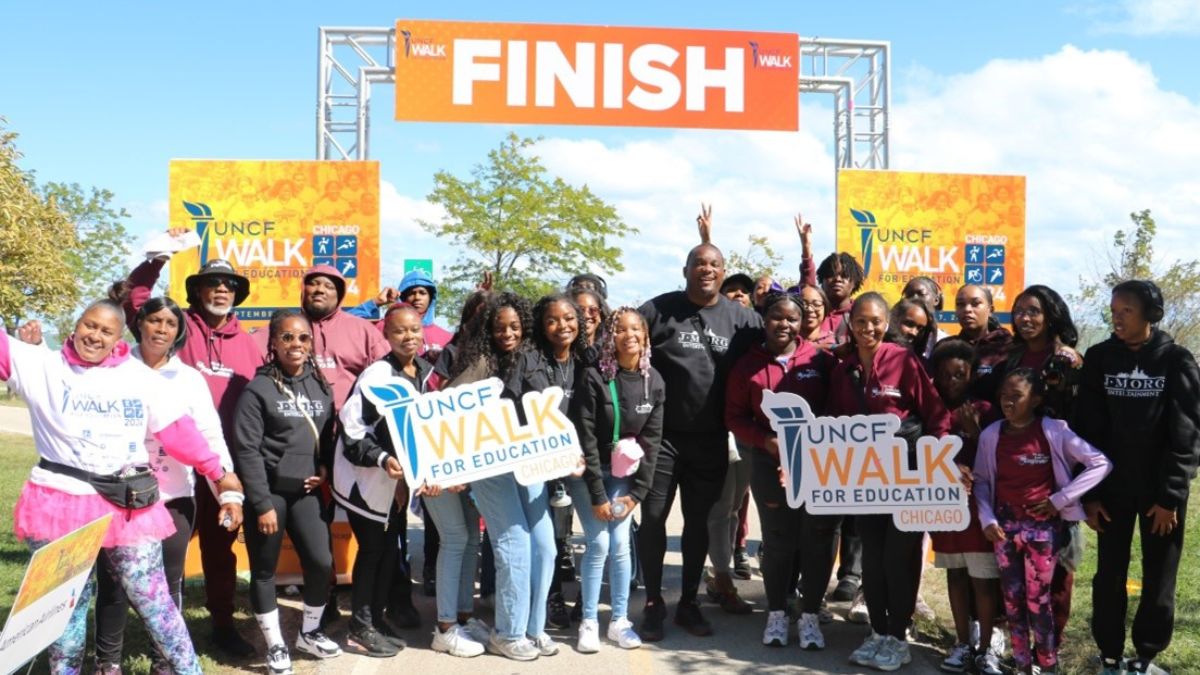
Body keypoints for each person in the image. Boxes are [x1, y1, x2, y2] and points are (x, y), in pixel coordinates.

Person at [3, 301, 241, 674]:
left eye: (106, 331)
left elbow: (179, 433)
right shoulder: (41, 364)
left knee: (155, 602)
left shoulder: (140, 378)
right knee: (64, 613)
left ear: (118, 338)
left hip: (125, 505)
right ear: (76, 325)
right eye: (89, 325)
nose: (94, 336)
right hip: (58, 504)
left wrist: (218, 473)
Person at [124, 249, 262, 656]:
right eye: (212, 283)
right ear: (197, 290)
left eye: (229, 285)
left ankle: (222, 626)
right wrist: (155, 260)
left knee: (220, 550)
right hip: (169, 468)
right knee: (169, 551)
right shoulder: (176, 326)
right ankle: (166, 629)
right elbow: (136, 300)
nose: (221, 290)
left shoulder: (250, 344)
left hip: (222, 465)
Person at [92, 295, 240, 673]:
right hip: (117, 498)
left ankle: (164, 662)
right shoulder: (112, 370)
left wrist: (226, 489)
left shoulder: (189, 379)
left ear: (179, 332)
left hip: (173, 497)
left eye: (171, 323)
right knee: (113, 585)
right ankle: (107, 664)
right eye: (154, 320)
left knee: (168, 585)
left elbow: (209, 435)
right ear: (139, 323)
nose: (161, 329)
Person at [1074, 280, 1200, 675]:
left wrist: (1170, 496)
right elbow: (1086, 431)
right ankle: (1110, 656)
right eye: (1114, 310)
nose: (1117, 317)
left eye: (1126, 310)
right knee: (1108, 575)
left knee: (1159, 575)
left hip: (1160, 495)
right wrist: (1089, 495)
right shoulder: (1099, 358)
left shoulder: (1176, 361)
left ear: (1151, 314)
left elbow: (1187, 433)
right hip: (1111, 492)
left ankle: (1145, 656)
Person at [637, 241, 762, 640]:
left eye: (714, 264)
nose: (706, 269)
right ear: (686, 269)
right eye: (699, 263)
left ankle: (688, 603)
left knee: (698, 524)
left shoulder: (742, 319)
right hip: (662, 439)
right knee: (652, 519)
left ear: (723, 272)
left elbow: (782, 339)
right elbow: (622, 343)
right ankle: (653, 602)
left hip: (710, 440)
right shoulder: (658, 310)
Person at [828, 292, 951, 671]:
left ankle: (899, 637)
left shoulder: (903, 360)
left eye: (876, 321)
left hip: (908, 475)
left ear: (887, 324)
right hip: (866, 478)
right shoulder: (843, 370)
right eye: (861, 321)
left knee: (900, 558)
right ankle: (878, 633)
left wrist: (939, 465)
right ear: (850, 324)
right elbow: (832, 426)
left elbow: (936, 416)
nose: (868, 328)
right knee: (874, 558)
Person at [974, 368, 1112, 675]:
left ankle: (1047, 665)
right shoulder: (991, 435)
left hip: (1042, 532)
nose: (1008, 402)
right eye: (1003, 395)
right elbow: (981, 481)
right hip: (1004, 531)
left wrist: (1060, 499)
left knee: (1039, 601)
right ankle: (1022, 665)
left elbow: (1100, 463)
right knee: (1012, 602)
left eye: (1017, 396)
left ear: (1036, 399)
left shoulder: (1054, 431)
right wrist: (987, 518)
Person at [725, 292, 836, 649]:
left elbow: (838, 404)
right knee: (778, 540)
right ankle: (776, 612)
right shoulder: (747, 365)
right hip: (768, 462)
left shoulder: (820, 360)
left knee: (817, 539)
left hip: (819, 464)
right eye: (777, 317)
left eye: (792, 318)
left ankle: (809, 615)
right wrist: (766, 441)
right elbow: (734, 416)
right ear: (764, 318)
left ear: (802, 322)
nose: (784, 324)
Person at [450, 292, 557, 661]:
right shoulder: (482, 362)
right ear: (488, 330)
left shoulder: (535, 358)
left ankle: (533, 628)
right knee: (515, 544)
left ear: (525, 326)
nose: (507, 333)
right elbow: (447, 406)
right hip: (491, 465)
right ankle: (508, 634)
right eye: (499, 327)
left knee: (544, 547)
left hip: (530, 464)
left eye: (514, 326)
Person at [235, 309, 343, 674]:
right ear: (273, 342)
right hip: (269, 494)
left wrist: (324, 468)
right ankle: (275, 645)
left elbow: (326, 436)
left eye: (303, 337)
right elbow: (247, 451)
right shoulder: (258, 389)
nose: (296, 344)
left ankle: (308, 633)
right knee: (265, 570)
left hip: (306, 493)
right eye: (287, 337)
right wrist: (261, 503)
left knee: (321, 563)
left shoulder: (320, 385)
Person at [334, 304, 439, 657]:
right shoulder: (377, 375)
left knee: (387, 553)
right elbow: (352, 430)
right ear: (386, 334)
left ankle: (375, 620)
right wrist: (380, 458)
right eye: (399, 330)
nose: (409, 336)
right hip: (364, 480)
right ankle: (360, 626)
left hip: (396, 484)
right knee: (373, 552)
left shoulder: (425, 372)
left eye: (414, 329)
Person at [571, 306, 665, 653]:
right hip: (589, 473)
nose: (630, 336)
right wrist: (598, 495)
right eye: (621, 330)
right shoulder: (594, 377)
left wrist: (636, 495)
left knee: (621, 543)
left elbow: (652, 443)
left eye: (636, 329)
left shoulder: (654, 381)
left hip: (625, 476)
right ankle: (589, 621)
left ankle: (620, 621)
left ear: (645, 335)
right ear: (611, 337)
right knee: (598, 544)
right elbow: (586, 438)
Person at [926, 339, 1003, 675]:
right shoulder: (930, 410)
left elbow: (1001, 459)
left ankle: (986, 649)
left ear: (972, 375)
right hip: (944, 511)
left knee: (984, 581)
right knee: (955, 575)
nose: (952, 381)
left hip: (979, 512)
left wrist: (975, 432)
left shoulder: (985, 410)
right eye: (945, 375)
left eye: (959, 374)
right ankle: (961, 643)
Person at [515, 294, 588, 629]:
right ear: (542, 326)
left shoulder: (587, 359)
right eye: (553, 320)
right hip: (538, 464)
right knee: (546, 540)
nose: (562, 326)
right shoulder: (527, 360)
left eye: (569, 318)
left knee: (577, 535)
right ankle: (551, 597)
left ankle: (585, 601)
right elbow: (511, 409)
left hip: (578, 462)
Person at [702, 273, 759, 613]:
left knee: (736, 506)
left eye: (744, 292)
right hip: (717, 429)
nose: (738, 295)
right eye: (731, 291)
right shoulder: (712, 328)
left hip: (746, 431)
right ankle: (721, 576)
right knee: (721, 508)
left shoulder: (755, 331)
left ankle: (719, 572)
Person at [349, 268, 454, 360]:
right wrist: (376, 302)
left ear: (430, 298)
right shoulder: (385, 327)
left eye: (422, 293)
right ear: (402, 297)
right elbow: (345, 324)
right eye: (411, 293)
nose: (417, 297)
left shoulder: (446, 337)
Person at [950, 284, 1012, 401]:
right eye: (960, 304)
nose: (967, 309)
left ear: (990, 310)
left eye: (975, 303)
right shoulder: (947, 347)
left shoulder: (1008, 346)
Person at [888, 297, 938, 364]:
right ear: (894, 320)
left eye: (920, 329)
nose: (914, 333)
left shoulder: (922, 366)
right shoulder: (877, 353)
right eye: (909, 324)